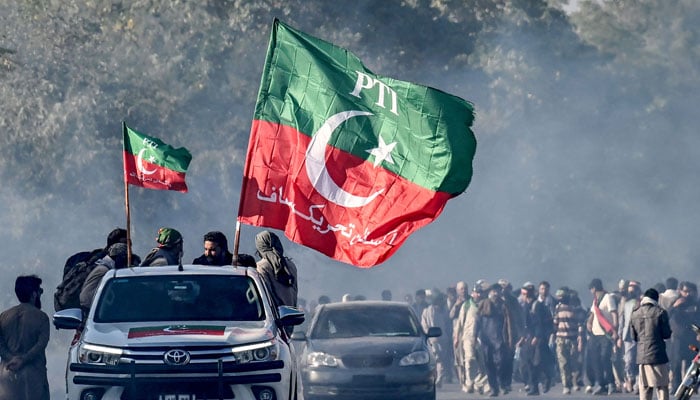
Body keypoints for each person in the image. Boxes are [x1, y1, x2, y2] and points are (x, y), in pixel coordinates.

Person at [0, 275, 50, 400]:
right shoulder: (42, 317)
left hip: (8, 374)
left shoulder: (4, 316)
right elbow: (41, 343)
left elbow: (0, 344)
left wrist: (11, 358)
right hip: (34, 376)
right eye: (39, 291)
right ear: (34, 295)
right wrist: (23, 359)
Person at [630, 288, 672, 400]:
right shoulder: (661, 312)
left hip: (642, 356)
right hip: (657, 355)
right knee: (662, 386)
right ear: (656, 299)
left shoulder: (635, 313)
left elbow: (633, 336)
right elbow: (666, 334)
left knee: (645, 387)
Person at [586, 278, 618, 395]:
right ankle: (601, 384)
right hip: (595, 334)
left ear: (593, 288)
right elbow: (593, 314)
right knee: (595, 360)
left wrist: (615, 330)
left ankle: (611, 383)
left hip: (606, 334)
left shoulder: (608, 298)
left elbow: (614, 314)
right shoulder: (595, 301)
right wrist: (589, 323)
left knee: (605, 358)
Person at [79, 243, 131, 311]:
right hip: (92, 308)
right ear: (118, 257)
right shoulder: (104, 271)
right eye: (123, 258)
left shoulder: (103, 268)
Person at [668, 281, 700, 391]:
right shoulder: (676, 303)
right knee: (676, 362)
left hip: (692, 339)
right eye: (685, 291)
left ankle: (691, 386)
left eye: (690, 291)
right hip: (678, 339)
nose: (687, 294)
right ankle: (675, 385)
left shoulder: (697, 304)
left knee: (692, 363)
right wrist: (674, 306)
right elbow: (666, 316)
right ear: (680, 291)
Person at [255, 230, 298, 308]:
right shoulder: (290, 265)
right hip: (292, 313)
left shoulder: (261, 266)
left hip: (275, 315)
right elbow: (294, 292)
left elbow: (266, 295)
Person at [421, 292, 453, 388]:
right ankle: (438, 378)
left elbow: (424, 325)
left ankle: (437, 378)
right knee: (439, 360)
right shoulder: (439, 311)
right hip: (439, 339)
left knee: (437, 359)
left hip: (434, 339)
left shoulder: (427, 311)